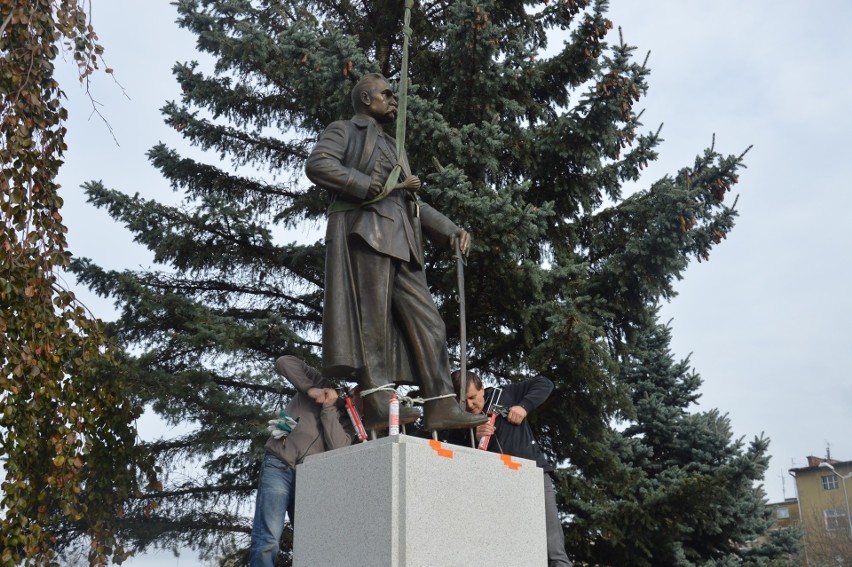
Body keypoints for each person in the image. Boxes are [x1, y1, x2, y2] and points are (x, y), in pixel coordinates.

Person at [305, 72, 486, 432]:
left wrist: (449, 230)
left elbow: (409, 200)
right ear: (365, 100)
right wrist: (363, 183)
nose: (392, 99)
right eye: (385, 94)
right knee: (373, 325)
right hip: (368, 235)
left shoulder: (395, 145)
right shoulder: (345, 130)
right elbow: (319, 165)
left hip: (403, 242)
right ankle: (377, 401)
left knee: (430, 323)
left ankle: (439, 403)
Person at [446, 370, 573, 567]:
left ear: (482, 389)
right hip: (496, 487)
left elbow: (545, 383)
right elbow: (454, 460)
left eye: (472, 397)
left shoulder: (504, 394)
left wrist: (524, 407)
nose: (470, 405)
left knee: (553, 550)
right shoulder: (459, 423)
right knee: (505, 549)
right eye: (464, 401)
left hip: (534, 476)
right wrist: (472, 436)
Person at [248, 355, 357, 567]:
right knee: (268, 538)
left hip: (310, 480)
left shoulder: (349, 424)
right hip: (278, 464)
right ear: (355, 390)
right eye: (360, 393)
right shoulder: (321, 383)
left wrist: (329, 409)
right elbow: (283, 362)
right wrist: (310, 389)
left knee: (311, 541)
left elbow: (338, 448)